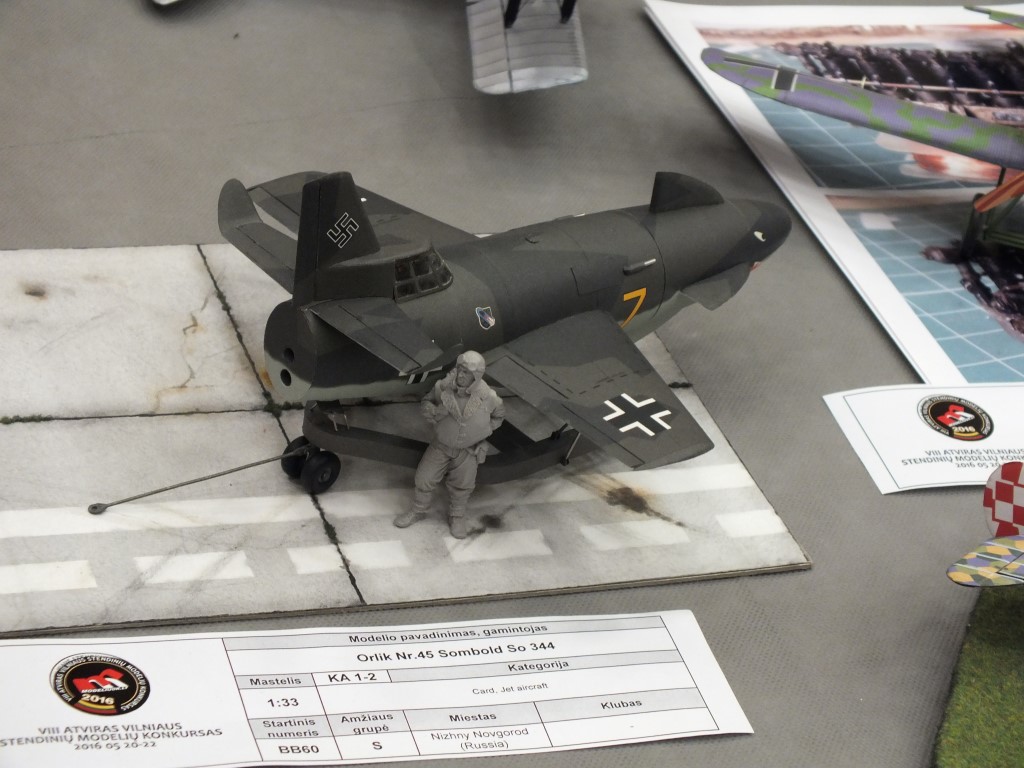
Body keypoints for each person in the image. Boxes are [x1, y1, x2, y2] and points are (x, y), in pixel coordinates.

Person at [394, 351, 504, 538]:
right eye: (460, 370)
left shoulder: (489, 397)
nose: (461, 375)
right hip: (441, 445)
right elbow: (426, 402)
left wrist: (483, 431)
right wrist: (433, 412)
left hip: (468, 451)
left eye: (466, 373)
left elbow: (498, 416)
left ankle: (457, 516)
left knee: (463, 485)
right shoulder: (442, 388)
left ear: (476, 376)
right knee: (424, 478)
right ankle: (418, 509)